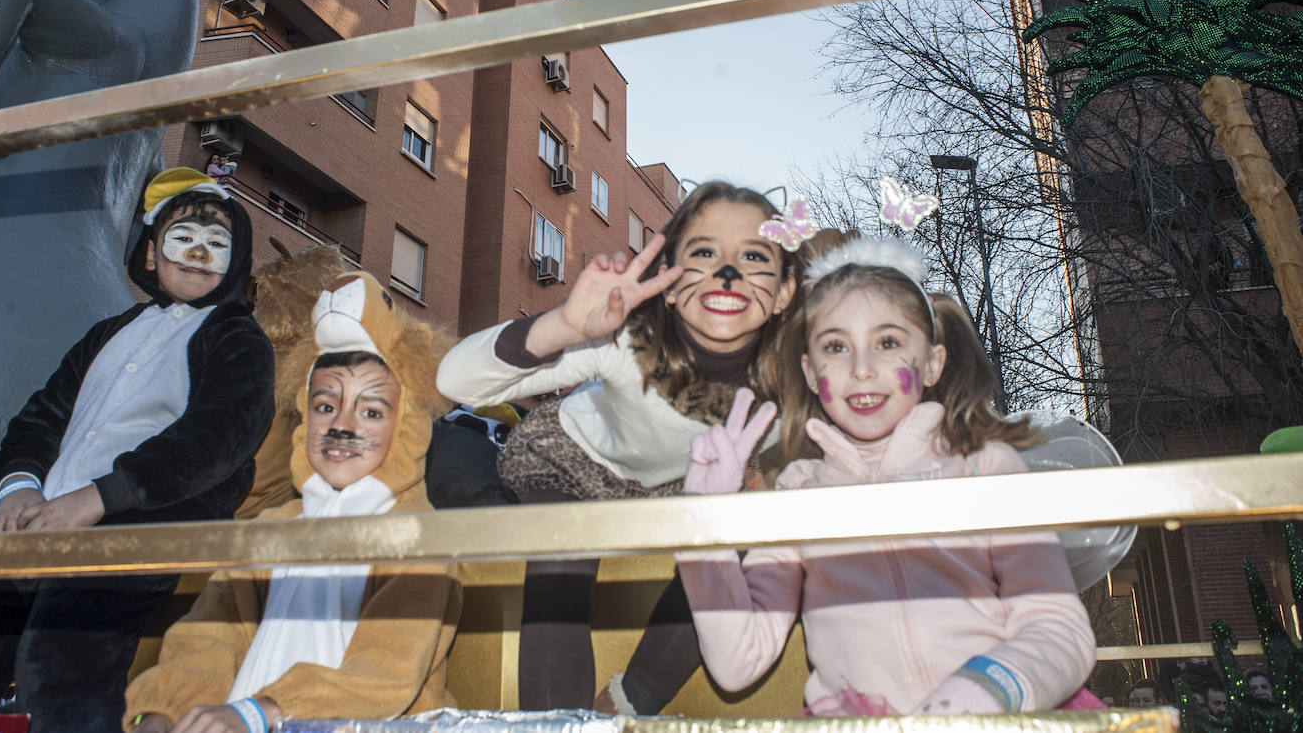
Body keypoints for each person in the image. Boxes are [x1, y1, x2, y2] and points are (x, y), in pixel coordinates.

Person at [675, 234, 1096, 716]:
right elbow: (737, 663)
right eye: (836, 346)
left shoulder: (985, 466)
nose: (860, 369)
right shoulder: (798, 490)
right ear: (812, 374)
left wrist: (980, 695)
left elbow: (1060, 629)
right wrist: (702, 528)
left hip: (995, 718)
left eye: (888, 342)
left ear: (932, 362)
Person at [0, 167, 275, 733]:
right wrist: (19, 487)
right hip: (46, 515)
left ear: (234, 263)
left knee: (62, 656)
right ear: (149, 255)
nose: (199, 252)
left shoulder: (236, 337)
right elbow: (41, 415)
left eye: (218, 244)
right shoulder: (108, 331)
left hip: (138, 525)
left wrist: (103, 497)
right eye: (182, 238)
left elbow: (218, 437)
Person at [436, 181, 802, 713]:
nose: (728, 272)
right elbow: (456, 381)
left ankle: (630, 700)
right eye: (704, 252)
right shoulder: (629, 338)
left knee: (748, 534)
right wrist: (562, 325)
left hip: (677, 491)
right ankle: (556, 723)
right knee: (564, 556)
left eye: (753, 255)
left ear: (786, 291)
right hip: (572, 463)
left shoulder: (790, 381)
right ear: (671, 284)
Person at [126, 272, 461, 733]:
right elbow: (207, 637)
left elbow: (388, 672)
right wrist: (161, 711)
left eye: (370, 411)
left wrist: (258, 711)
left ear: (406, 426)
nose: (341, 426)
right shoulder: (271, 528)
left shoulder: (422, 540)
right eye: (325, 406)